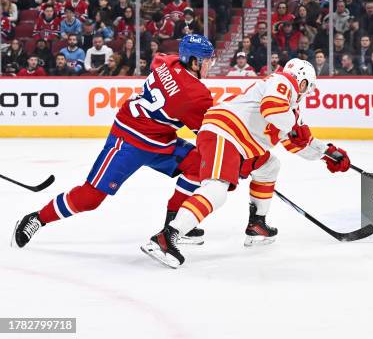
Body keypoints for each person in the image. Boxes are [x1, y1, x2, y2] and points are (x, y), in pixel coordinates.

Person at [141, 59, 351, 267]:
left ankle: (257, 224)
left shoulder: (290, 108)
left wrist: (328, 154)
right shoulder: (284, 81)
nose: (306, 93)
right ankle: (167, 236)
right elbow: (273, 110)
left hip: (240, 144)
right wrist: (295, 127)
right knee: (216, 190)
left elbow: (296, 143)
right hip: (225, 133)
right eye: (308, 87)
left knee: (270, 166)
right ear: (303, 81)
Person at [12, 35, 217, 249]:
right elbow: (208, 134)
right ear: (194, 61)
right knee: (90, 198)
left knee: (199, 165)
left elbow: (159, 60)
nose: (210, 64)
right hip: (128, 141)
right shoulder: (197, 95)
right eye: (207, 60)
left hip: (160, 141)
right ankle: (37, 218)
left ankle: (174, 226)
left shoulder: (169, 61)